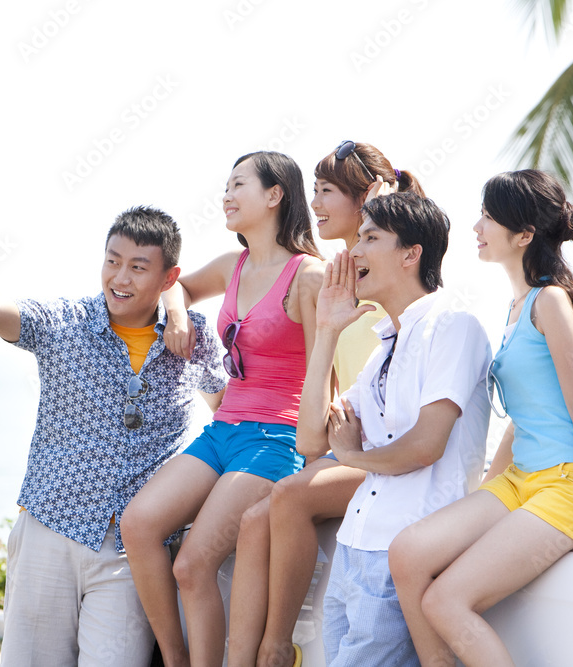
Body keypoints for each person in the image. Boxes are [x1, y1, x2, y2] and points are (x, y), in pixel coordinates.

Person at [0, 206, 227, 667]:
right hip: (49, 533)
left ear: (168, 277)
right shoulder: (64, 324)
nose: (120, 277)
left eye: (138, 267)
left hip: (131, 554)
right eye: (112, 261)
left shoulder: (194, 340)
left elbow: (230, 416)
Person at [388, 169, 573, 667]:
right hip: (521, 480)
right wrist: (487, 491)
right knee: (407, 553)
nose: (477, 226)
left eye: (488, 217)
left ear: (524, 235)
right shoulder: (517, 306)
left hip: (567, 484)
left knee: (445, 600)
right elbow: (526, 417)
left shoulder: (552, 301)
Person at [120, 151, 324, 667]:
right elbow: (179, 285)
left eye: (238, 185)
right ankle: (174, 658)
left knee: (192, 565)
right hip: (223, 428)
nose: (226, 196)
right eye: (226, 186)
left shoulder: (309, 276)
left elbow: (330, 371)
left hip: (275, 438)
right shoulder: (234, 266)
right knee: (138, 524)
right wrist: (178, 316)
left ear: (275, 195)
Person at [226, 140, 426, 667]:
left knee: (289, 499)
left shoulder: (391, 275)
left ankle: (275, 646)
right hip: (345, 438)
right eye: (312, 189)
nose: (314, 202)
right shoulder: (335, 273)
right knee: (253, 522)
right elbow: (330, 374)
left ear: (368, 201)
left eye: (327, 191)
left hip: (390, 453)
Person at [300, 192, 491, 667]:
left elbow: (426, 445)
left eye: (370, 238)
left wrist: (352, 459)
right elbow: (308, 438)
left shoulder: (453, 326)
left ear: (411, 254)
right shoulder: (385, 343)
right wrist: (326, 331)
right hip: (355, 544)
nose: (353, 252)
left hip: (403, 546)